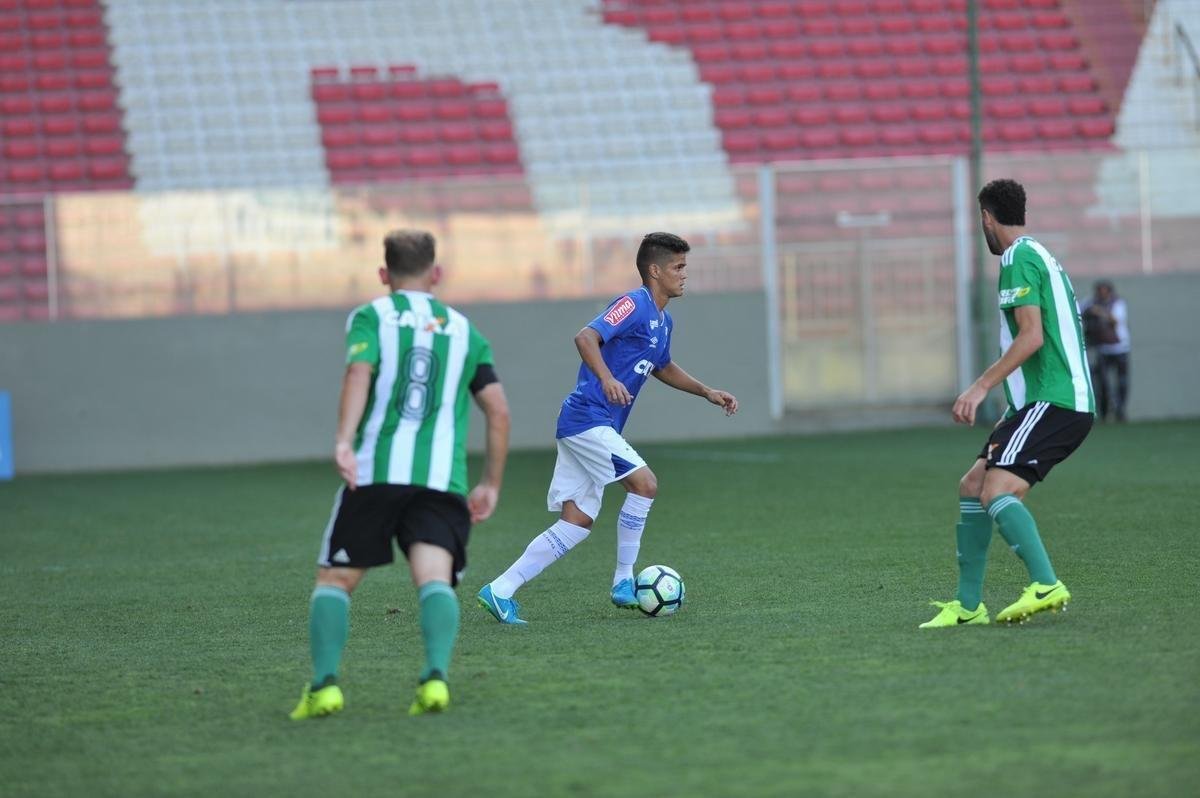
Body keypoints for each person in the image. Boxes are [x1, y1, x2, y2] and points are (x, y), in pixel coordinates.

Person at [290, 229, 510, 719]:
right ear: (437, 274)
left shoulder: (372, 316)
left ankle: (325, 687)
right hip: (441, 480)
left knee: (336, 580)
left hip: (376, 473)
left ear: (384, 274)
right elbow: (497, 411)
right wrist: (491, 482)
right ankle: (435, 680)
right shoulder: (464, 330)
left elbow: (358, 372)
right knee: (435, 581)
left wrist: (344, 440)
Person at [476, 232, 738, 624]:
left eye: (685, 267)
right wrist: (605, 379)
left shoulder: (664, 321)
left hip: (593, 423)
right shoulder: (633, 303)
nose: (684, 275)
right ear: (655, 270)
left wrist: (706, 391)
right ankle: (622, 582)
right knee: (645, 484)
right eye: (677, 267)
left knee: (577, 522)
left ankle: (499, 591)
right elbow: (586, 337)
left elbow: (662, 366)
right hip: (588, 418)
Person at [921, 179, 1094, 628]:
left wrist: (979, 386)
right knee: (972, 486)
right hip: (1037, 403)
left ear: (986, 217)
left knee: (997, 490)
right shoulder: (1039, 254)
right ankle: (968, 606)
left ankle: (1046, 584)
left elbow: (1032, 336)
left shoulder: (1018, 257)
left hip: (1056, 400)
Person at [1080, 280, 1131, 422]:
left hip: (1120, 348)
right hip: (1102, 349)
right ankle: (1103, 413)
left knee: (1122, 383)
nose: (1102, 293)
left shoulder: (1118, 303)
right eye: (1099, 290)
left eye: (1105, 290)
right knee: (1102, 383)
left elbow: (1115, 320)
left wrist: (1099, 311)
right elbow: (1079, 310)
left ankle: (1120, 411)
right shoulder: (1091, 302)